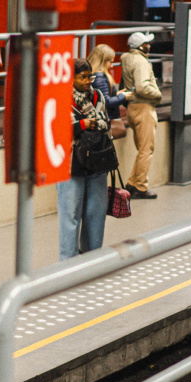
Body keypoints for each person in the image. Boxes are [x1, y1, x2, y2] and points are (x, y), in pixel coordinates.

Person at [58, 58, 115, 258]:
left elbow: (105, 122)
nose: (88, 81)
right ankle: (67, 262)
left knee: (95, 213)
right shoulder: (60, 99)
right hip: (70, 163)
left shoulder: (97, 95)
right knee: (70, 215)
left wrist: (84, 124)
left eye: (89, 76)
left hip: (97, 160)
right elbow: (59, 129)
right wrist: (83, 125)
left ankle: (93, 257)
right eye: (82, 77)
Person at [120, 30, 163, 197]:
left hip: (132, 107)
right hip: (144, 107)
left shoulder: (127, 59)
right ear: (140, 46)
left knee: (142, 149)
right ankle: (140, 186)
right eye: (146, 44)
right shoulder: (141, 62)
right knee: (147, 150)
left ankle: (132, 182)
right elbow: (142, 87)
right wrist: (157, 94)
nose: (149, 46)